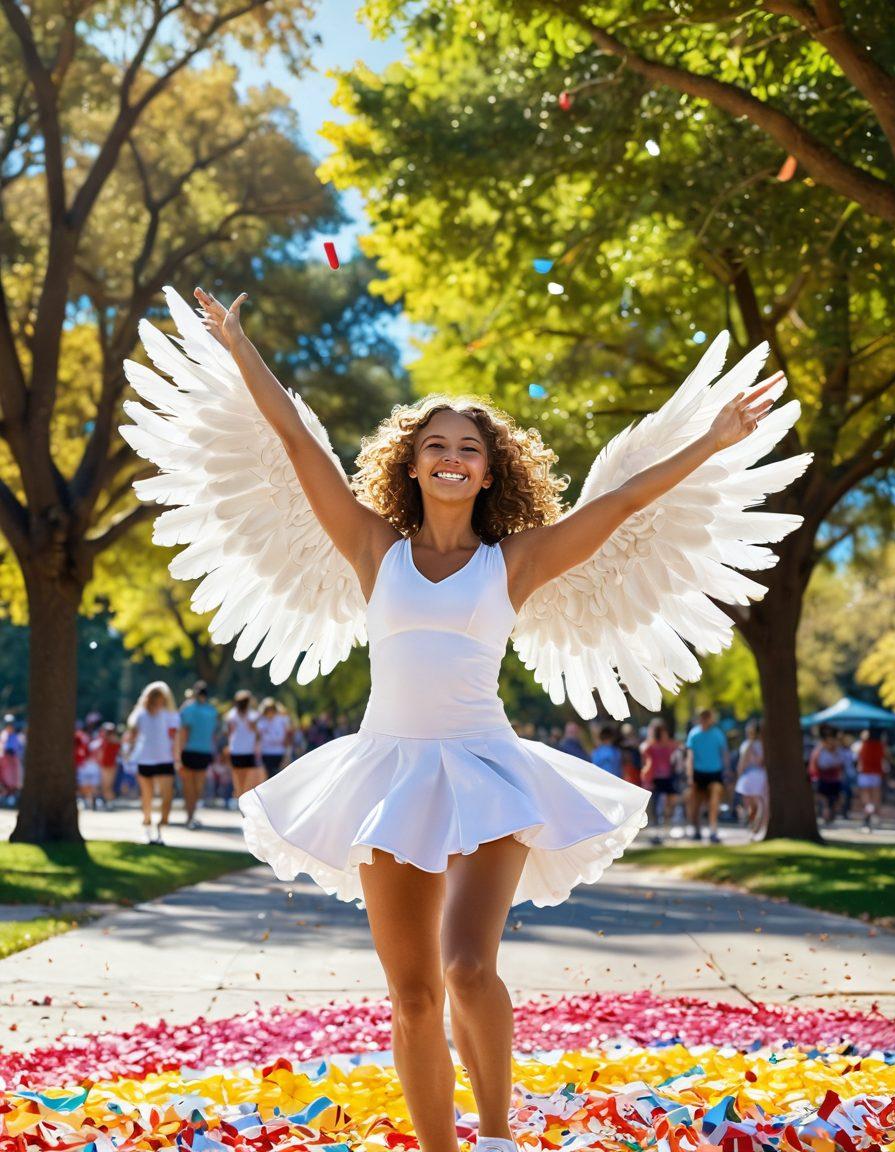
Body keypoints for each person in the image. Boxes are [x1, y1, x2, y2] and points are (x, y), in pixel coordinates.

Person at [124, 283, 797, 1152]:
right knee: (413, 997)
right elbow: (293, 441)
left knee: (468, 966)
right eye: (435, 445)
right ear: (410, 464)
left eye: (469, 448)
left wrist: (712, 440)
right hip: (388, 773)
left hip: (487, 772)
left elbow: (624, 504)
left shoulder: (515, 561)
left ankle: (498, 1137)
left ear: (489, 471)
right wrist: (238, 345)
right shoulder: (372, 547)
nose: (451, 457)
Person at [123, 681, 180, 844]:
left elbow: (175, 738)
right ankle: (147, 823)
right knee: (147, 795)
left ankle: (161, 825)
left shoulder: (171, 716)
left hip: (165, 759)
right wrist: (128, 753)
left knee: (166, 795)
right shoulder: (140, 715)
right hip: (145, 759)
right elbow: (132, 736)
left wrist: (177, 758)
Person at [178, 680, 220, 828]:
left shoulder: (187, 709)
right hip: (205, 752)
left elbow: (183, 733)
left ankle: (189, 816)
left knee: (188, 786)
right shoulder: (212, 711)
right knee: (198, 787)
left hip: (189, 751)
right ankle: (192, 815)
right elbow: (214, 735)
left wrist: (178, 754)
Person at [685, 708, 728, 843]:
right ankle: (697, 830)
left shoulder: (717, 734)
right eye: (703, 717)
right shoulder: (694, 734)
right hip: (698, 773)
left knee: (714, 801)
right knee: (696, 803)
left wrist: (727, 770)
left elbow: (724, 753)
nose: (705, 720)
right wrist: (690, 775)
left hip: (715, 772)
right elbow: (690, 756)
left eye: (707, 717)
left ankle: (713, 830)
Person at [640, 720, 679, 844]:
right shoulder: (649, 746)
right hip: (654, 779)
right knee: (656, 807)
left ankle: (665, 828)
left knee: (670, 804)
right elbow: (645, 757)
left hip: (668, 778)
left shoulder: (670, 745)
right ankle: (657, 831)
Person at [808, 725, 849, 826]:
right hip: (823, 778)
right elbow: (818, 765)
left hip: (834, 779)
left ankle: (830, 815)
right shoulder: (820, 750)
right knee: (825, 800)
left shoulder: (837, 751)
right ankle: (826, 815)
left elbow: (842, 763)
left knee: (835, 799)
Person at [734, 719, 768, 839]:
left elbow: (742, 764)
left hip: (750, 777)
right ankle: (756, 828)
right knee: (759, 805)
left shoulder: (748, 745)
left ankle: (755, 828)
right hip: (758, 776)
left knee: (753, 806)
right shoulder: (761, 745)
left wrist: (739, 776)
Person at [854, 727, 890, 832]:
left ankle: (867, 820)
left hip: (865, 774)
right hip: (876, 774)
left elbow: (857, 757)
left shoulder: (863, 745)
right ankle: (872, 817)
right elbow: (886, 757)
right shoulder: (881, 746)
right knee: (875, 799)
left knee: (866, 799)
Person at [226, 690, 261, 796]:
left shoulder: (232, 714)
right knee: (244, 780)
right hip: (243, 750)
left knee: (239, 779)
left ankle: (240, 797)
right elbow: (257, 733)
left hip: (239, 750)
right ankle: (240, 797)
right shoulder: (251, 715)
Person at [256, 698, 294, 777]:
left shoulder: (281, 720)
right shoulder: (261, 721)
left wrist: (287, 754)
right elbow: (258, 738)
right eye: (268, 710)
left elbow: (287, 737)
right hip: (266, 753)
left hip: (279, 753)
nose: (270, 712)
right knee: (269, 777)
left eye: (271, 709)